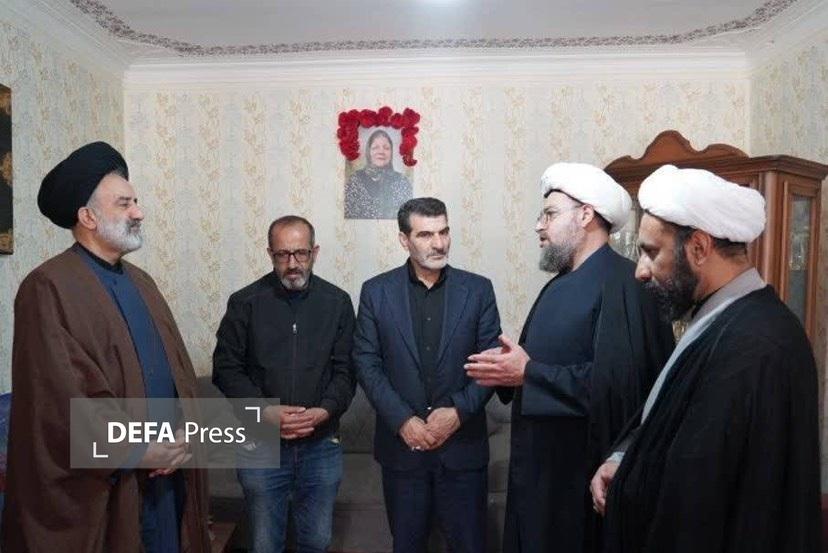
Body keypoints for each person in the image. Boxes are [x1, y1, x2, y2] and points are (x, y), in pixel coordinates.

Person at [590, 164, 821, 553]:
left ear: (698, 248)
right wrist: (624, 459)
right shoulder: (720, 319)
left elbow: (708, 495)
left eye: (651, 252)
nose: (640, 272)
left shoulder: (758, 344)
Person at [1, 141, 210, 552]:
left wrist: (183, 433)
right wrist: (139, 452)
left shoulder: (142, 282)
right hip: (113, 486)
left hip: (167, 479)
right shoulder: (47, 286)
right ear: (88, 217)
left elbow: (176, 373)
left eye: (136, 202)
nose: (139, 212)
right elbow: (56, 401)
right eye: (125, 203)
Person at [465, 163, 674, 553]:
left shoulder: (625, 284)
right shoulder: (557, 285)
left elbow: (621, 388)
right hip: (537, 475)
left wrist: (529, 373)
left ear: (585, 215)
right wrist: (506, 368)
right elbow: (538, 364)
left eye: (549, 214)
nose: (539, 227)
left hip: (581, 479)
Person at [353, 197, 501, 553]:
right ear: (404, 240)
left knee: (469, 546)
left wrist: (458, 412)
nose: (439, 243)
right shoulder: (376, 292)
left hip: (463, 451)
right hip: (403, 451)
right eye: (425, 235)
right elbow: (366, 363)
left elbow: (492, 362)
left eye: (444, 232)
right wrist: (403, 420)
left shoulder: (478, 290)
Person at [213, 215, 355, 553]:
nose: (292, 264)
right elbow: (226, 369)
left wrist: (324, 411)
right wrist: (264, 412)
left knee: (317, 541)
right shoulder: (245, 302)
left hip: (321, 442)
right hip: (261, 443)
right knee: (264, 544)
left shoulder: (337, 302)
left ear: (314, 252)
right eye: (282, 254)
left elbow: (347, 370)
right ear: (270, 254)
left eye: (301, 253)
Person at [344, 129, 412, 219]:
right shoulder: (355, 181)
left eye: (386, 148)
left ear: (391, 153)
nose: (381, 152)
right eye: (375, 147)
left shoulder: (402, 182)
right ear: (368, 152)